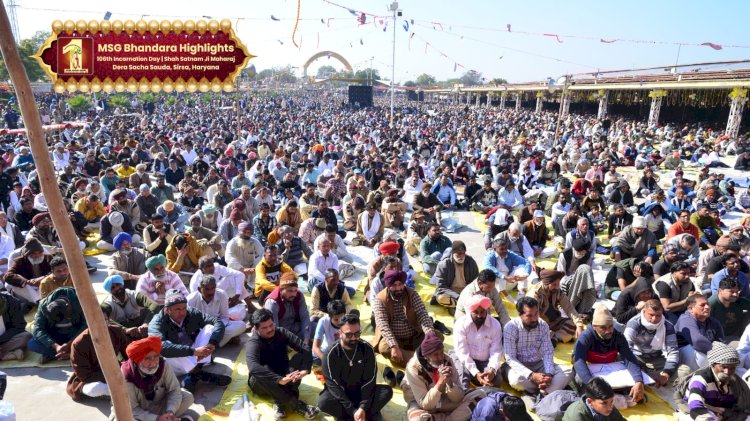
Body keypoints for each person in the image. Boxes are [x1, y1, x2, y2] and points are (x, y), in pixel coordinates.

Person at [246, 309, 320, 420]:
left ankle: (280, 402)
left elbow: (305, 348)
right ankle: (297, 405)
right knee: (261, 370)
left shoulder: (280, 332)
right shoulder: (253, 342)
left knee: (299, 358)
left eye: (271, 325)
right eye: (264, 328)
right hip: (262, 383)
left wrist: (305, 369)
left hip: (284, 374)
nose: (270, 329)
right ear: (256, 329)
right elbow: (253, 366)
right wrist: (278, 379)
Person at [148, 289, 230, 389]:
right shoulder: (157, 322)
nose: (182, 312)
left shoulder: (191, 312)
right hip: (174, 364)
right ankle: (202, 375)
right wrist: (193, 351)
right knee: (166, 345)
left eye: (184, 308)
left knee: (210, 328)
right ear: (167, 310)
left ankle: (193, 375)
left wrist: (212, 343)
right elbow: (161, 347)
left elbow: (217, 321)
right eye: (177, 309)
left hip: (195, 356)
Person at [318, 313, 393, 421]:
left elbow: (370, 380)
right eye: (349, 335)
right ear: (340, 333)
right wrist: (352, 410)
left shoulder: (367, 349)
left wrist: (362, 406)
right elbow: (333, 386)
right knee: (323, 402)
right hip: (342, 395)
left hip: (361, 393)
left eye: (357, 334)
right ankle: (361, 415)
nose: (353, 338)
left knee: (387, 391)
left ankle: (357, 414)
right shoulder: (331, 354)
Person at [403, 330, 487, 421]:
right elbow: (425, 405)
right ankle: (448, 417)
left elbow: (458, 398)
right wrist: (440, 383)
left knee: (480, 395)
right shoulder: (413, 368)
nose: (440, 358)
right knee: (417, 420)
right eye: (436, 355)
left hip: (443, 400)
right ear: (426, 356)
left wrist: (450, 383)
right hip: (420, 404)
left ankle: (447, 419)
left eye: (441, 352)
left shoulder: (447, 360)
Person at [572, 305, 645, 404]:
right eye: (603, 328)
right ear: (594, 327)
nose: (608, 331)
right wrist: (592, 383)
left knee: (638, 369)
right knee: (579, 379)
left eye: (611, 326)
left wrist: (638, 381)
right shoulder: (586, 337)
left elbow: (629, 357)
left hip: (611, 367)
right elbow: (578, 361)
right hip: (591, 368)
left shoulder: (618, 336)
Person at [115, 336, 195, 421]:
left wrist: (170, 411)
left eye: (156, 356)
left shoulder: (163, 365)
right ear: (137, 361)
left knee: (187, 397)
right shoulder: (127, 376)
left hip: (158, 406)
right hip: (139, 413)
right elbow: (132, 409)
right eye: (147, 358)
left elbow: (174, 389)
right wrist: (156, 418)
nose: (153, 362)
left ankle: (169, 418)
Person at [503, 296, 572, 396]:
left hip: (538, 363)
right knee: (516, 381)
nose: (534, 318)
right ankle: (548, 390)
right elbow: (510, 358)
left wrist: (548, 374)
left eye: (536, 314)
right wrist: (531, 375)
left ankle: (544, 390)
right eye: (529, 316)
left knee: (568, 371)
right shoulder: (511, 327)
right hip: (519, 365)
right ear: (520, 315)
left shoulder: (542, 325)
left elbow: (547, 351)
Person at [371, 270, 436, 367]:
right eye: (394, 285)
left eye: (400, 284)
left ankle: (414, 359)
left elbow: (422, 315)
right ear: (388, 285)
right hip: (396, 340)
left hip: (415, 336)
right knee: (384, 348)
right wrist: (394, 346)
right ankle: (420, 361)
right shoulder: (380, 299)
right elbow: (382, 324)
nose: (398, 288)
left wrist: (429, 334)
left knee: (436, 337)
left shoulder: (412, 294)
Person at [678, 342, 750, 421]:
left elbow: (742, 407)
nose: (727, 372)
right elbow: (696, 407)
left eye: (732, 368)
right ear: (713, 364)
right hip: (696, 413)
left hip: (722, 414)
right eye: (723, 367)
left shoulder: (735, 381)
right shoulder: (700, 379)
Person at [623, 299, 679, 387]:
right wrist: (636, 369)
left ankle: (653, 377)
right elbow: (626, 349)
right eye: (651, 315)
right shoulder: (634, 323)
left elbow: (673, 351)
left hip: (656, 357)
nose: (654, 319)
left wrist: (666, 374)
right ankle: (646, 376)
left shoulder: (667, 326)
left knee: (682, 371)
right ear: (644, 311)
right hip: (636, 357)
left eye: (658, 315)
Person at [67, 324, 129, 401]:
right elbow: (84, 376)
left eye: (104, 320)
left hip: (116, 371)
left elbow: (128, 354)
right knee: (98, 388)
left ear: (108, 320)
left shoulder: (116, 331)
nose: (99, 323)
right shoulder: (79, 343)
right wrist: (113, 377)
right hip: (93, 379)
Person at [454, 295, 503, 388]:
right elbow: (462, 353)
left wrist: (492, 369)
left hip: (485, 362)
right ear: (470, 311)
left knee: (497, 380)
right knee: (462, 379)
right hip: (465, 360)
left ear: (486, 311)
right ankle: (469, 389)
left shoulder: (495, 325)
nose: (479, 315)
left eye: (482, 312)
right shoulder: (461, 323)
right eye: (475, 312)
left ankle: (481, 387)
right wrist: (476, 373)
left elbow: (496, 351)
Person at [28, 287, 87, 363]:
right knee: (32, 344)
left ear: (68, 306)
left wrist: (71, 342)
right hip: (56, 337)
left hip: (76, 334)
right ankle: (67, 354)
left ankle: (63, 354)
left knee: (94, 340)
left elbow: (87, 325)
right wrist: (55, 346)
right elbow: (38, 329)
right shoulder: (43, 305)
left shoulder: (81, 300)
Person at [187, 275, 246, 347]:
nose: (210, 292)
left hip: (218, 326)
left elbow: (224, 317)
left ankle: (213, 343)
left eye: (213, 288)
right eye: (207, 289)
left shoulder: (221, 295)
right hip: (200, 330)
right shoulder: (191, 300)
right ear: (199, 289)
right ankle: (220, 342)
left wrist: (217, 329)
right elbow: (189, 322)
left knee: (241, 325)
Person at [529, 269, 585, 344]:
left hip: (555, 322)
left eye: (558, 284)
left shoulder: (557, 291)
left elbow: (569, 308)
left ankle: (555, 338)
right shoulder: (534, 295)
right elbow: (535, 318)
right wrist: (547, 331)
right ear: (546, 283)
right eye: (554, 285)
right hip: (539, 324)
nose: (557, 287)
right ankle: (555, 337)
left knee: (573, 324)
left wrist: (579, 325)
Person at [675, 293, 726, 371]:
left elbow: (721, 342)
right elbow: (697, 341)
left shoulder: (714, 321)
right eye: (702, 305)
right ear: (690, 309)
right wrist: (717, 353)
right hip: (684, 353)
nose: (707, 307)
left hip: (707, 352)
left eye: (708, 304)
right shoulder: (685, 319)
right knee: (695, 350)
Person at [263, 274, 312, 344]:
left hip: (296, 327)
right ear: (281, 289)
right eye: (290, 291)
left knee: (318, 327)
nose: (293, 294)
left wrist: (306, 338)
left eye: (295, 290)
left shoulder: (299, 295)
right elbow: (273, 329)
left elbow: (304, 317)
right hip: (280, 333)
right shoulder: (272, 303)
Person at [556, 237, 597, 315]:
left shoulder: (587, 256)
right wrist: (573, 280)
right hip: (565, 279)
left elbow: (586, 272)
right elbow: (561, 274)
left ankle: (583, 307)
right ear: (575, 249)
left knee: (594, 286)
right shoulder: (564, 254)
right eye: (579, 253)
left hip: (580, 278)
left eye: (583, 253)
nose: (581, 255)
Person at [432, 241, 479, 309]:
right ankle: (461, 306)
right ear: (453, 253)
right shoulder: (443, 264)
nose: (461, 256)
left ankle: (459, 305)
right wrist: (457, 296)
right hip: (451, 292)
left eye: (463, 253)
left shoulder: (471, 261)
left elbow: (476, 281)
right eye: (459, 254)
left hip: (467, 291)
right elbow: (441, 286)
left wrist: (469, 293)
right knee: (441, 298)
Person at [2, 238, 51, 303]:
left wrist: (43, 278)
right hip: (28, 288)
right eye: (33, 254)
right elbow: (7, 276)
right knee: (9, 284)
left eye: (39, 253)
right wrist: (27, 282)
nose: (37, 256)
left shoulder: (47, 256)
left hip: (43, 283)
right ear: (27, 254)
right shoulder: (18, 260)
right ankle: (38, 301)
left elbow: (56, 269)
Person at [226, 221, 265, 293]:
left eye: (249, 233)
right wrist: (242, 269)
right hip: (237, 270)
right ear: (239, 232)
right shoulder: (232, 243)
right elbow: (229, 258)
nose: (247, 234)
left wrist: (252, 269)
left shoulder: (254, 242)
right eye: (245, 232)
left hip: (250, 271)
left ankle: (251, 288)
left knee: (261, 261)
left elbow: (263, 254)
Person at [562, 377, 626, 421]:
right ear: (590, 401)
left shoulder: (609, 408)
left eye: (611, 401)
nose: (610, 407)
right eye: (604, 403)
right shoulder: (576, 415)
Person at [0, 292, 32, 361]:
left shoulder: (11, 302)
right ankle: (6, 355)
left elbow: (19, 326)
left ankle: (4, 354)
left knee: (27, 337)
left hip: (6, 340)